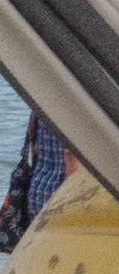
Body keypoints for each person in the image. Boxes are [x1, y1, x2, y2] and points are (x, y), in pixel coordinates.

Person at [0, 105, 69, 256]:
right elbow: (73, 161)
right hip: (62, 200)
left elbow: (35, 149)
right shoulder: (74, 109)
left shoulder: (41, 106)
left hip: (36, 196)